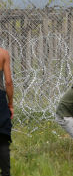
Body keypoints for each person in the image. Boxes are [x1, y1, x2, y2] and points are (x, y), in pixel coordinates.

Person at [0, 47, 14, 176]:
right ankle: (5, 173)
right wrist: (10, 104)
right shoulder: (3, 53)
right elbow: (8, 82)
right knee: (2, 138)